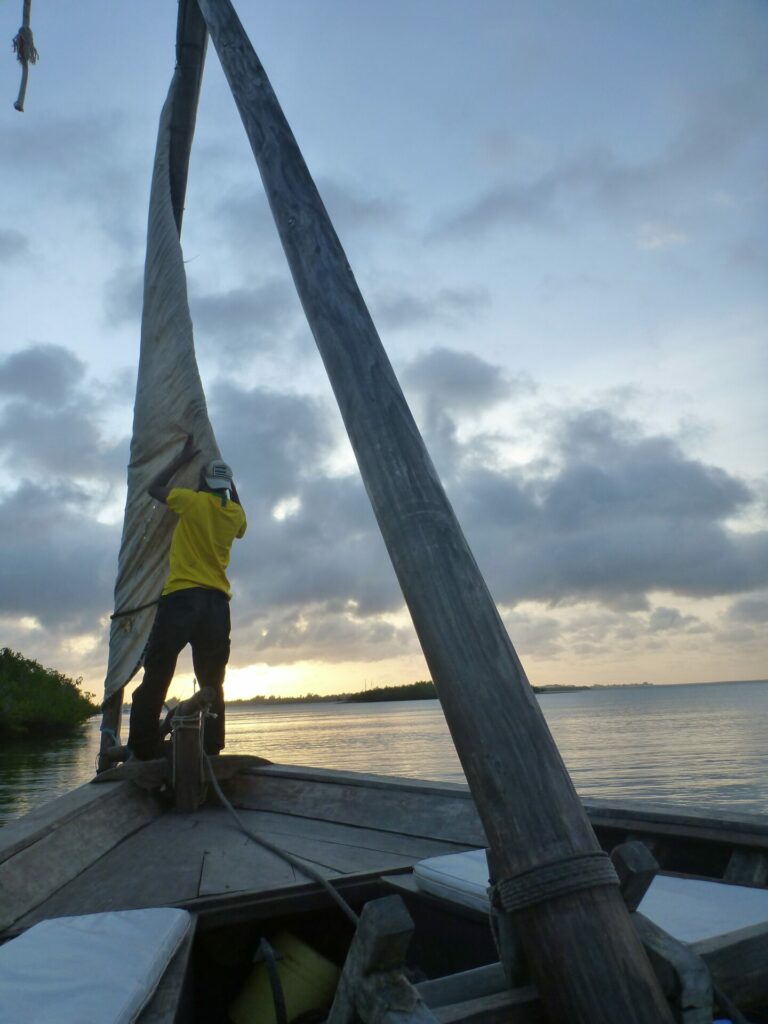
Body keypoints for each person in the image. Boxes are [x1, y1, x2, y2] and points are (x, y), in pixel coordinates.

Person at [127, 435, 247, 760]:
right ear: (226, 486)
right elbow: (237, 506)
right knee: (212, 681)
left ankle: (142, 747)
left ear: (202, 484)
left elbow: (154, 488)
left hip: (182, 600)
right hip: (217, 608)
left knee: (158, 673)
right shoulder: (234, 515)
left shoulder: (190, 501)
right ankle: (211, 748)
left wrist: (181, 460)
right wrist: (227, 480)